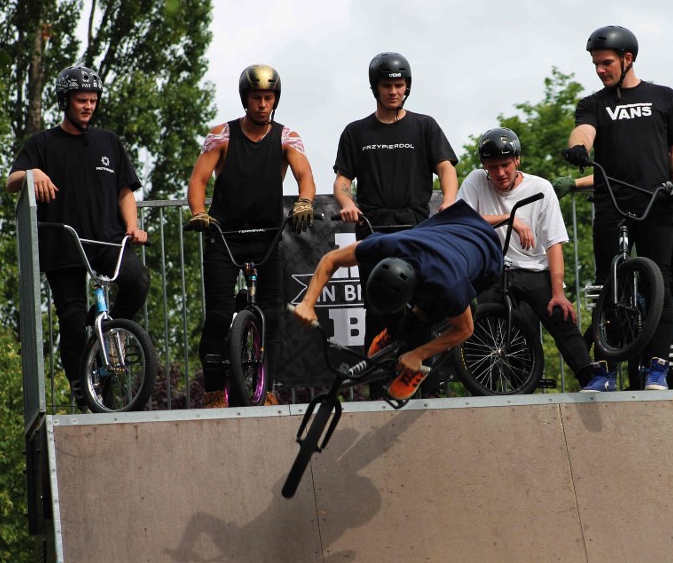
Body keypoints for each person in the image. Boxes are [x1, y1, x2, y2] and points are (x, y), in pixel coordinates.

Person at [6, 65, 150, 409]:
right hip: (63, 244)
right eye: (81, 100)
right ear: (65, 101)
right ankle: (79, 383)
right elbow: (11, 182)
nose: (88, 106)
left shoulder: (108, 141)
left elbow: (125, 190)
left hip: (107, 240)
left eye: (93, 100)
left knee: (138, 280)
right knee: (71, 322)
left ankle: (111, 329)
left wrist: (132, 225)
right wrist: (32, 172)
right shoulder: (42, 143)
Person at [563, 25, 673, 391]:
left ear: (628, 59)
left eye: (606, 63)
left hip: (656, 201)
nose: (600, 70)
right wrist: (579, 149)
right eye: (595, 64)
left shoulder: (663, 97)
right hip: (612, 202)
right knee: (609, 281)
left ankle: (657, 367)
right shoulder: (593, 103)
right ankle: (604, 369)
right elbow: (584, 131)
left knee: (660, 282)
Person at [187, 64, 316, 408]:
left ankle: (268, 387)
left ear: (275, 100)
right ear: (246, 99)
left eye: (268, 97)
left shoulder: (287, 137)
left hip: (268, 237)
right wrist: (199, 212)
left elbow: (305, 175)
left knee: (271, 315)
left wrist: (305, 201)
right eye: (256, 97)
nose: (262, 103)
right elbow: (198, 181)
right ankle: (215, 390)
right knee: (217, 314)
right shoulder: (222, 135)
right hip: (224, 235)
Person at [331, 51, 459, 397]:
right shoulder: (356, 132)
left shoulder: (424, 125)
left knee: (422, 310)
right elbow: (342, 181)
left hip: (417, 230)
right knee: (376, 311)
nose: (393, 91)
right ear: (375, 88)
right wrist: (347, 203)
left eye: (399, 85)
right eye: (387, 85)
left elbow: (447, 168)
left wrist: (447, 201)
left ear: (407, 87)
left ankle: (427, 386)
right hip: (373, 233)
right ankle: (378, 388)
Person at [292, 200, 502, 400]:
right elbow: (331, 259)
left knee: (418, 321)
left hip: (486, 250)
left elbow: (465, 330)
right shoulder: (386, 244)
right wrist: (308, 303)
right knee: (392, 316)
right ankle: (393, 332)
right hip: (453, 224)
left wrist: (418, 354)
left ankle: (417, 368)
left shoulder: (449, 283)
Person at [457, 127, 601, 390]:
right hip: (491, 269)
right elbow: (461, 219)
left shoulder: (541, 189)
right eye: (492, 167)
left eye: (505, 165)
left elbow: (554, 243)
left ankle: (591, 378)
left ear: (517, 160)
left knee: (560, 315)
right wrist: (510, 219)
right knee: (483, 325)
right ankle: (481, 391)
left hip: (533, 269)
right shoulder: (476, 181)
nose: (499, 173)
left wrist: (558, 292)